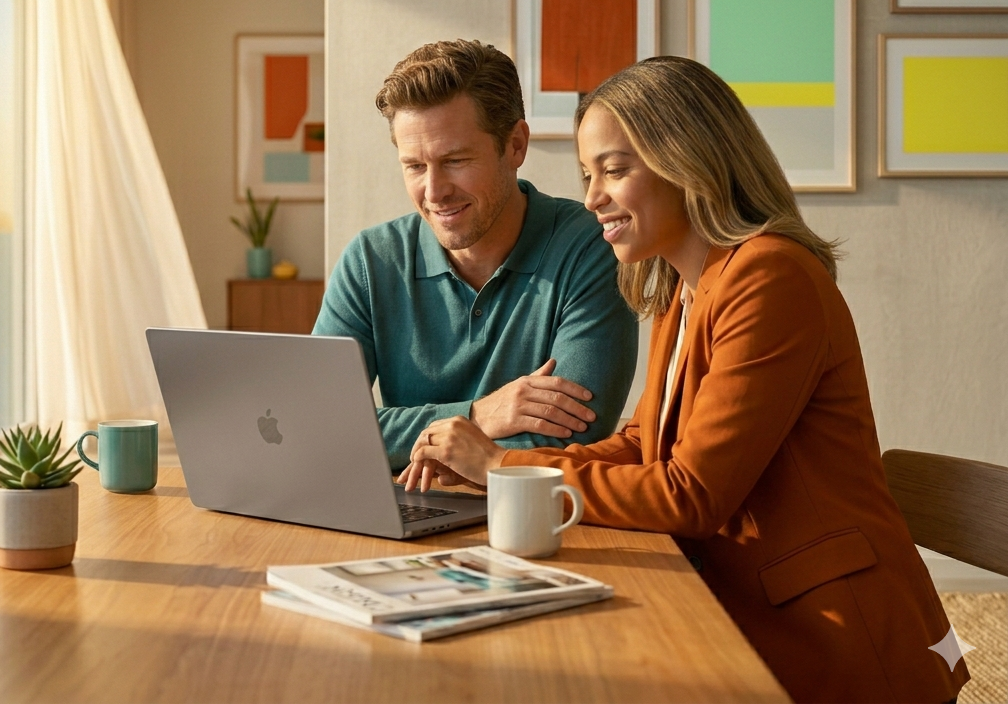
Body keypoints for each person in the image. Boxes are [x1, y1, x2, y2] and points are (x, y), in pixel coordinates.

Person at [401, 56, 968, 704]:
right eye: (589, 175)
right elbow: (642, 444)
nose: (591, 199)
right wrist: (499, 479)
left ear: (689, 160)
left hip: (834, 641)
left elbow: (692, 495)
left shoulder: (770, 279)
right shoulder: (683, 291)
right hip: (744, 607)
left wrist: (501, 462)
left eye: (614, 170)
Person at [314, 40, 638, 471]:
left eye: (455, 160)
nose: (434, 192)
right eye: (414, 166)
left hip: (540, 522)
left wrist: (427, 445)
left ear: (516, 146)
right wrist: (479, 414)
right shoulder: (370, 261)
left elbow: (574, 434)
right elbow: (318, 426)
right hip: (406, 513)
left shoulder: (591, 248)